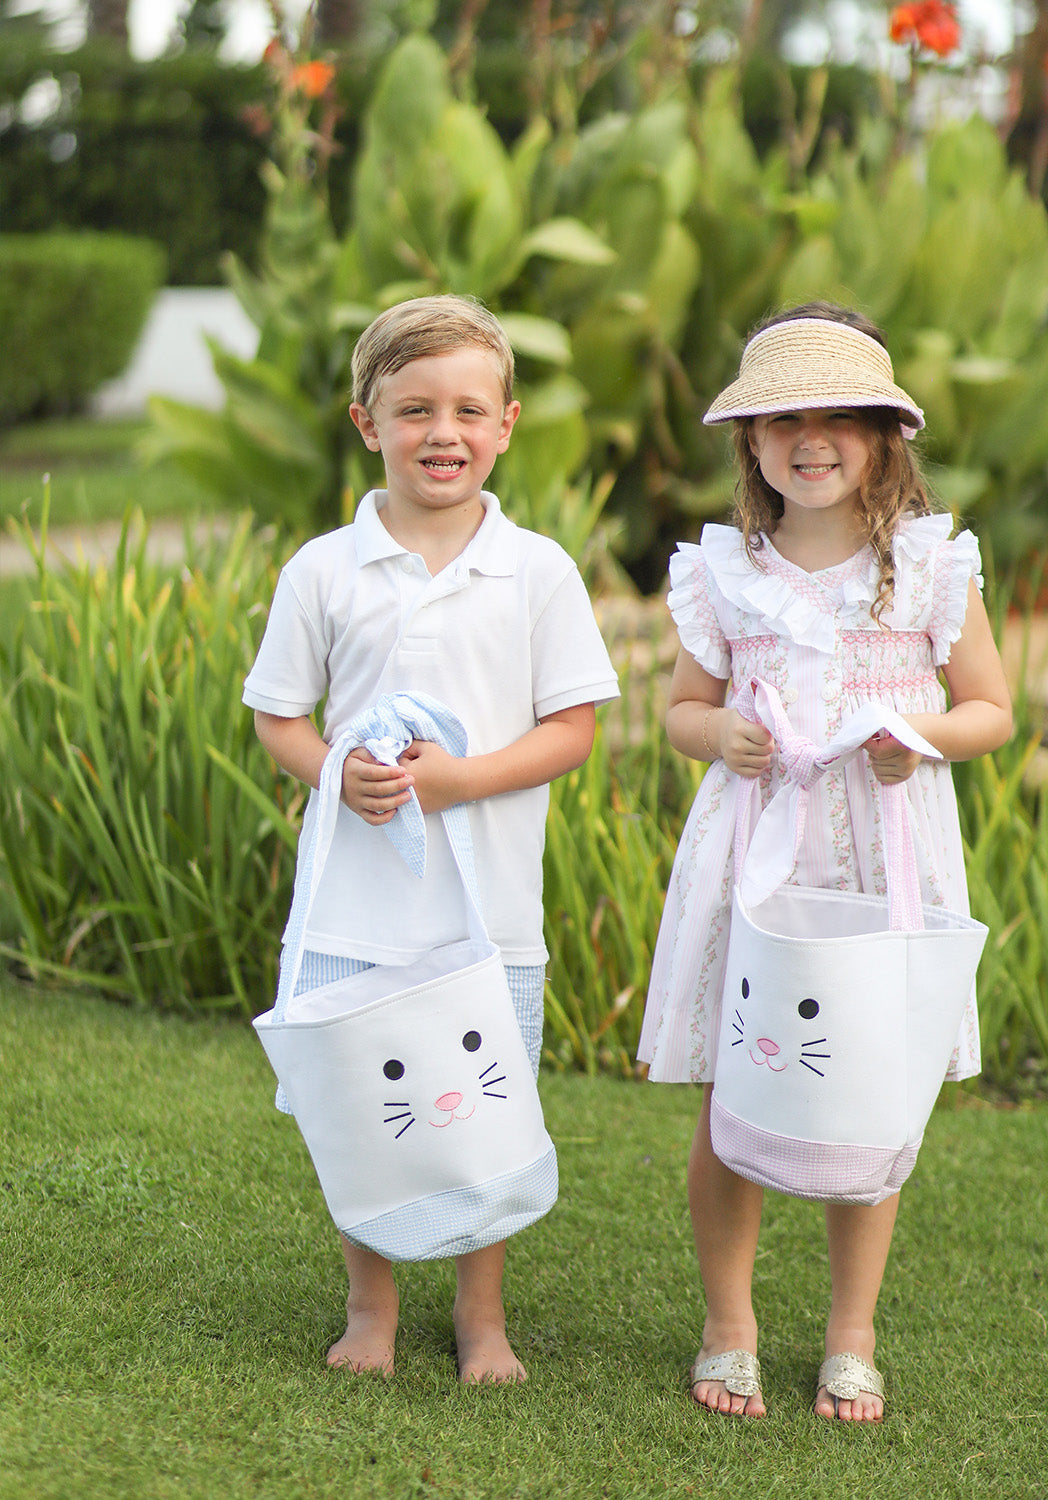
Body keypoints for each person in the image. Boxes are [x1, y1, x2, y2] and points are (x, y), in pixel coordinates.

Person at [638, 301, 1012, 1422]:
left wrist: (921, 738)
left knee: (870, 1098)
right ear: (749, 442)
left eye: (838, 419)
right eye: (781, 419)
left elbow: (990, 707)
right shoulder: (724, 573)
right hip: (755, 851)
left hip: (881, 857)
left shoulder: (928, 564)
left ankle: (852, 1333)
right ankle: (729, 1325)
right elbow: (681, 713)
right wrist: (725, 738)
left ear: (883, 436)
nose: (811, 440)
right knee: (733, 1095)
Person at [243, 294, 619, 1382]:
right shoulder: (324, 569)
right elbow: (280, 717)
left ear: (506, 423)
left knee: (477, 1110)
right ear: (368, 424)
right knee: (372, 1104)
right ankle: (371, 1309)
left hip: (485, 909)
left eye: (466, 409)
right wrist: (335, 773)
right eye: (413, 410)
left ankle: (481, 1318)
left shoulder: (538, 570)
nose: (440, 432)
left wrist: (459, 782)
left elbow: (572, 731)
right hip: (362, 904)